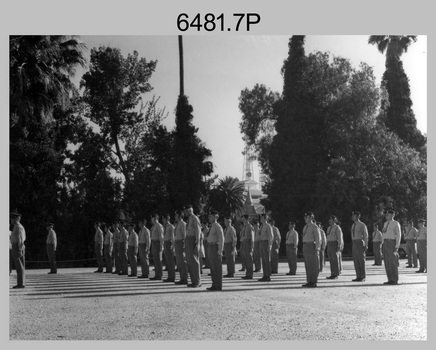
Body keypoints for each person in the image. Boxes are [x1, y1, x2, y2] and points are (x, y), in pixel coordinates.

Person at [381, 210, 401, 284]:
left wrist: (397, 246)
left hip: (391, 242)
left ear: (393, 215)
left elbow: (398, 235)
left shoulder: (396, 223)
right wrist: (382, 243)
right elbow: (383, 233)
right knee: (387, 262)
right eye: (386, 215)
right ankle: (390, 279)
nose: (386, 216)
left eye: (388, 215)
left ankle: (395, 279)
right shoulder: (385, 223)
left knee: (392, 261)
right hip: (385, 242)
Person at [184, 205, 202, 287]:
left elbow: (198, 231)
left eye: (186, 211)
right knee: (190, 261)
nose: (185, 213)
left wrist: (197, 243)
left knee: (194, 261)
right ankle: (193, 281)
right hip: (188, 240)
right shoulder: (189, 219)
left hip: (193, 241)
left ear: (190, 210)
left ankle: (197, 281)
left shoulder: (195, 218)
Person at [302, 212, 321, 288]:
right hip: (305, 245)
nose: (305, 218)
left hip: (311, 245)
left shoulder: (314, 227)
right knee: (307, 264)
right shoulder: (305, 227)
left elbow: (318, 238)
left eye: (306, 217)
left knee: (313, 264)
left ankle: (313, 281)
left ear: (310, 217)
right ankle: (309, 280)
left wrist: (317, 248)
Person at [206, 210, 224, 291]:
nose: (209, 217)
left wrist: (220, 251)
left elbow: (221, 239)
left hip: (215, 247)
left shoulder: (217, 226)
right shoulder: (212, 226)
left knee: (217, 267)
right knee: (212, 267)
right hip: (210, 246)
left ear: (215, 217)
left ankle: (218, 285)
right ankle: (214, 284)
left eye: (211, 216)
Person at [351, 211, 368, 282]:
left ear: (358, 216)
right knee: (356, 260)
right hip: (354, 242)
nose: (352, 217)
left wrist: (366, 244)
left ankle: (362, 276)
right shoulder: (353, 225)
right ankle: (358, 276)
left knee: (361, 259)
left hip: (360, 242)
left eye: (354, 215)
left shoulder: (362, 225)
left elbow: (365, 235)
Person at [10, 210, 26, 288]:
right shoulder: (17, 226)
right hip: (17, 246)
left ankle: (21, 283)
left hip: (17, 246)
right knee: (20, 266)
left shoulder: (18, 227)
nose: (11, 220)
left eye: (12, 218)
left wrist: (19, 249)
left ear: (15, 219)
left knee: (19, 266)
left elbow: (20, 239)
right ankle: (21, 283)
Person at [326, 215, 343, 279]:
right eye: (329, 220)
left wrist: (339, 245)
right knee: (331, 259)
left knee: (335, 259)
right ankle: (332, 273)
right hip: (329, 243)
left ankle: (336, 274)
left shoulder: (337, 227)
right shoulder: (329, 228)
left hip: (334, 243)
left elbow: (340, 237)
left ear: (334, 220)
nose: (329, 221)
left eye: (331, 220)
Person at [174, 210, 188, 284]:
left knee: (182, 261)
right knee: (179, 262)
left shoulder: (183, 224)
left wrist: (184, 245)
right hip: (177, 242)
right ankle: (181, 278)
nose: (175, 217)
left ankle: (184, 278)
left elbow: (185, 235)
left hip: (181, 243)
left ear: (180, 216)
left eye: (176, 215)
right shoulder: (178, 224)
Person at [258, 213, 273, 282]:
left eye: (261, 218)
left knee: (267, 260)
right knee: (263, 260)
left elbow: (271, 236)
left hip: (266, 242)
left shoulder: (268, 226)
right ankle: (265, 275)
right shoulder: (262, 226)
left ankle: (268, 275)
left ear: (265, 218)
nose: (260, 219)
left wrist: (269, 245)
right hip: (262, 242)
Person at [150, 214, 164, 280]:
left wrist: (161, 245)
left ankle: (159, 275)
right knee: (155, 259)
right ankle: (157, 274)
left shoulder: (159, 225)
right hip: (154, 242)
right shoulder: (153, 226)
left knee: (158, 259)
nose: (151, 220)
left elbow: (161, 236)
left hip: (157, 243)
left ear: (156, 218)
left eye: (152, 218)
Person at [162, 214, 176, 282]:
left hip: (169, 243)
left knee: (170, 261)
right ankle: (169, 276)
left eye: (164, 219)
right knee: (167, 261)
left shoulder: (171, 226)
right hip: (165, 243)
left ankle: (172, 276)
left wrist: (173, 246)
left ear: (167, 219)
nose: (163, 220)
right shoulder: (164, 227)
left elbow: (173, 237)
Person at [241, 215, 254, 279]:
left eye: (244, 219)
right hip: (244, 242)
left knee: (249, 259)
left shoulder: (250, 227)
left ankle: (250, 274)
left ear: (247, 219)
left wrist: (252, 247)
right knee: (246, 259)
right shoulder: (244, 227)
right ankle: (247, 273)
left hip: (248, 243)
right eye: (243, 220)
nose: (243, 221)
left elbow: (252, 238)